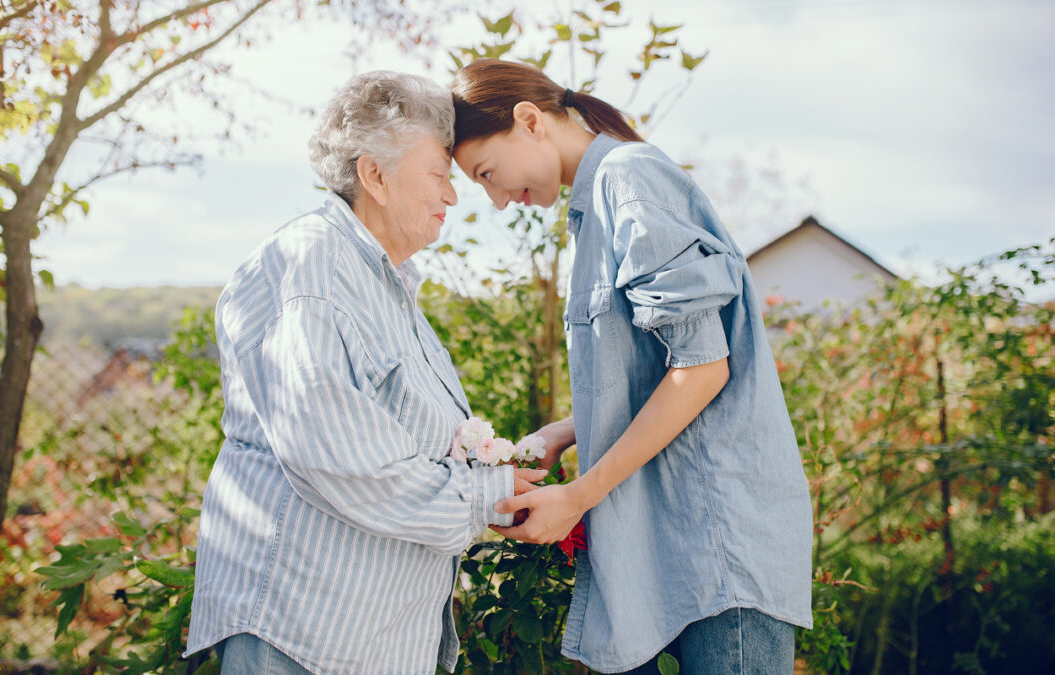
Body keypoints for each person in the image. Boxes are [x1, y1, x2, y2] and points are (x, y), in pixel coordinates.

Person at [450, 59, 813, 674]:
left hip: (719, 541)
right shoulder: (594, 204)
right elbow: (658, 370)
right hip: (674, 541)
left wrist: (576, 498)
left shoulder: (630, 179)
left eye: (487, 173)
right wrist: (564, 433)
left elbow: (702, 369)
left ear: (529, 120)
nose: (495, 198)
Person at [183, 70, 546, 674]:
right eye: (438, 175)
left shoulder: (383, 284)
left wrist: (505, 472)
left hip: (362, 638)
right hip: (305, 636)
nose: (453, 197)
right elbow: (343, 459)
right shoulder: (316, 271)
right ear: (374, 176)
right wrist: (492, 494)